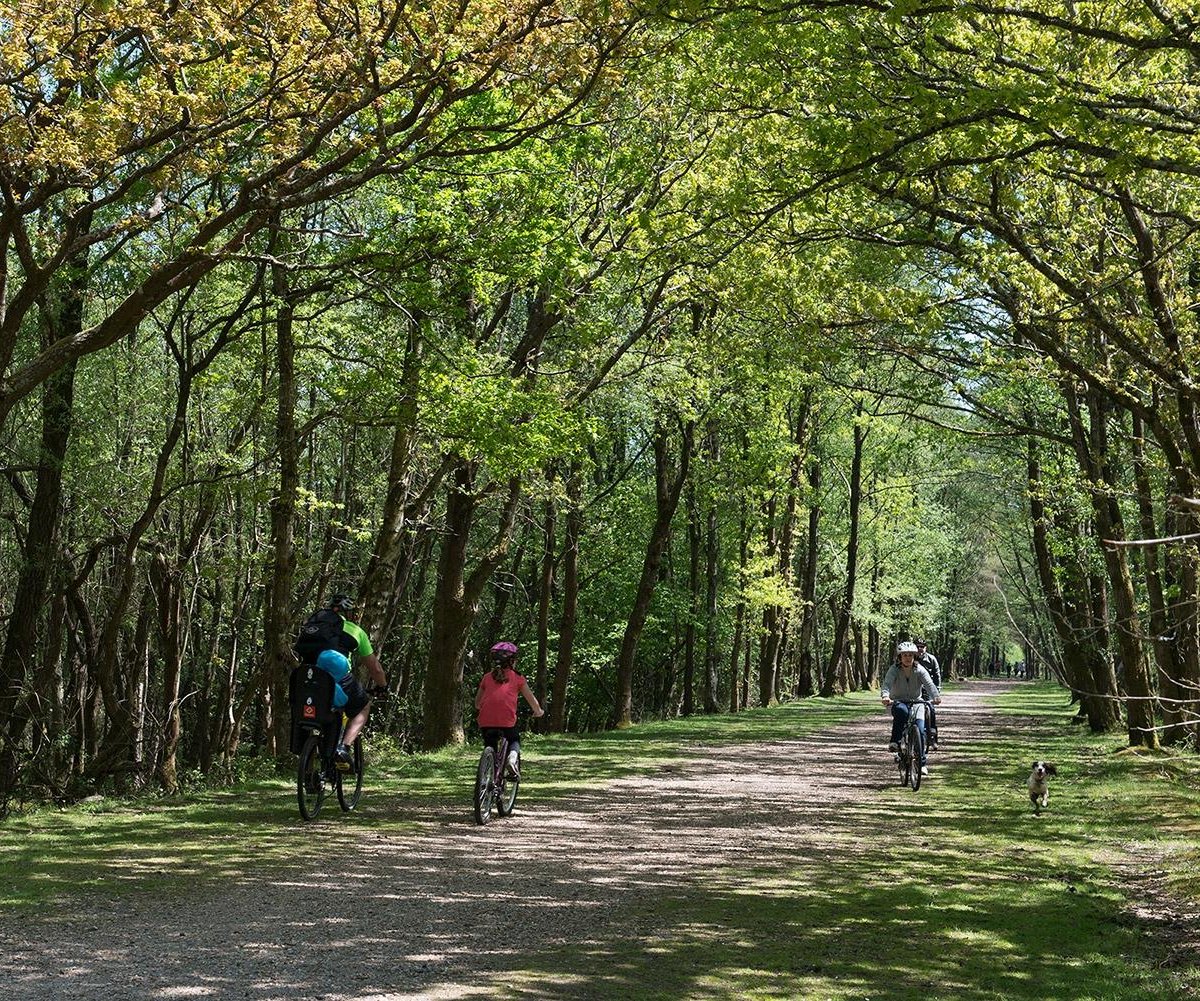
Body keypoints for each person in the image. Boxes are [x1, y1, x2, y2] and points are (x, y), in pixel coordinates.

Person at [296, 593, 386, 765]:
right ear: (350, 613)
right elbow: (376, 669)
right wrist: (382, 687)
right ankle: (343, 748)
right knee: (363, 706)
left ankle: (308, 770)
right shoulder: (355, 631)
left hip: (306, 680)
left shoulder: (312, 626)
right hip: (334, 682)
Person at [475, 641, 544, 778]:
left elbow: (477, 703)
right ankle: (512, 758)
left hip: (485, 721)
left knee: (490, 745)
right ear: (512, 661)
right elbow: (532, 701)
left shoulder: (487, 677)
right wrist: (538, 711)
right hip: (506, 721)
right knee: (514, 739)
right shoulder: (518, 678)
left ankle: (488, 776)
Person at [881, 640, 941, 777]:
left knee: (920, 731)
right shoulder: (894, 670)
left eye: (910, 655)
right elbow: (886, 684)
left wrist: (936, 696)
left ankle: (922, 764)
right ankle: (895, 742)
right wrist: (885, 696)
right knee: (902, 712)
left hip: (917, 702)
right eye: (905, 655)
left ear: (914, 656)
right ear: (900, 657)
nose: (908, 658)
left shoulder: (919, 669)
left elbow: (929, 684)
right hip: (898, 701)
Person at [914, 637, 941, 749]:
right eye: (918, 646)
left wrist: (937, 692)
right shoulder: (910, 659)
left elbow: (937, 675)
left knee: (931, 710)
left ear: (926, 648)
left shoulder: (931, 659)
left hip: (928, 690)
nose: (920, 649)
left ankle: (933, 737)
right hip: (914, 690)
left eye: (922, 647)